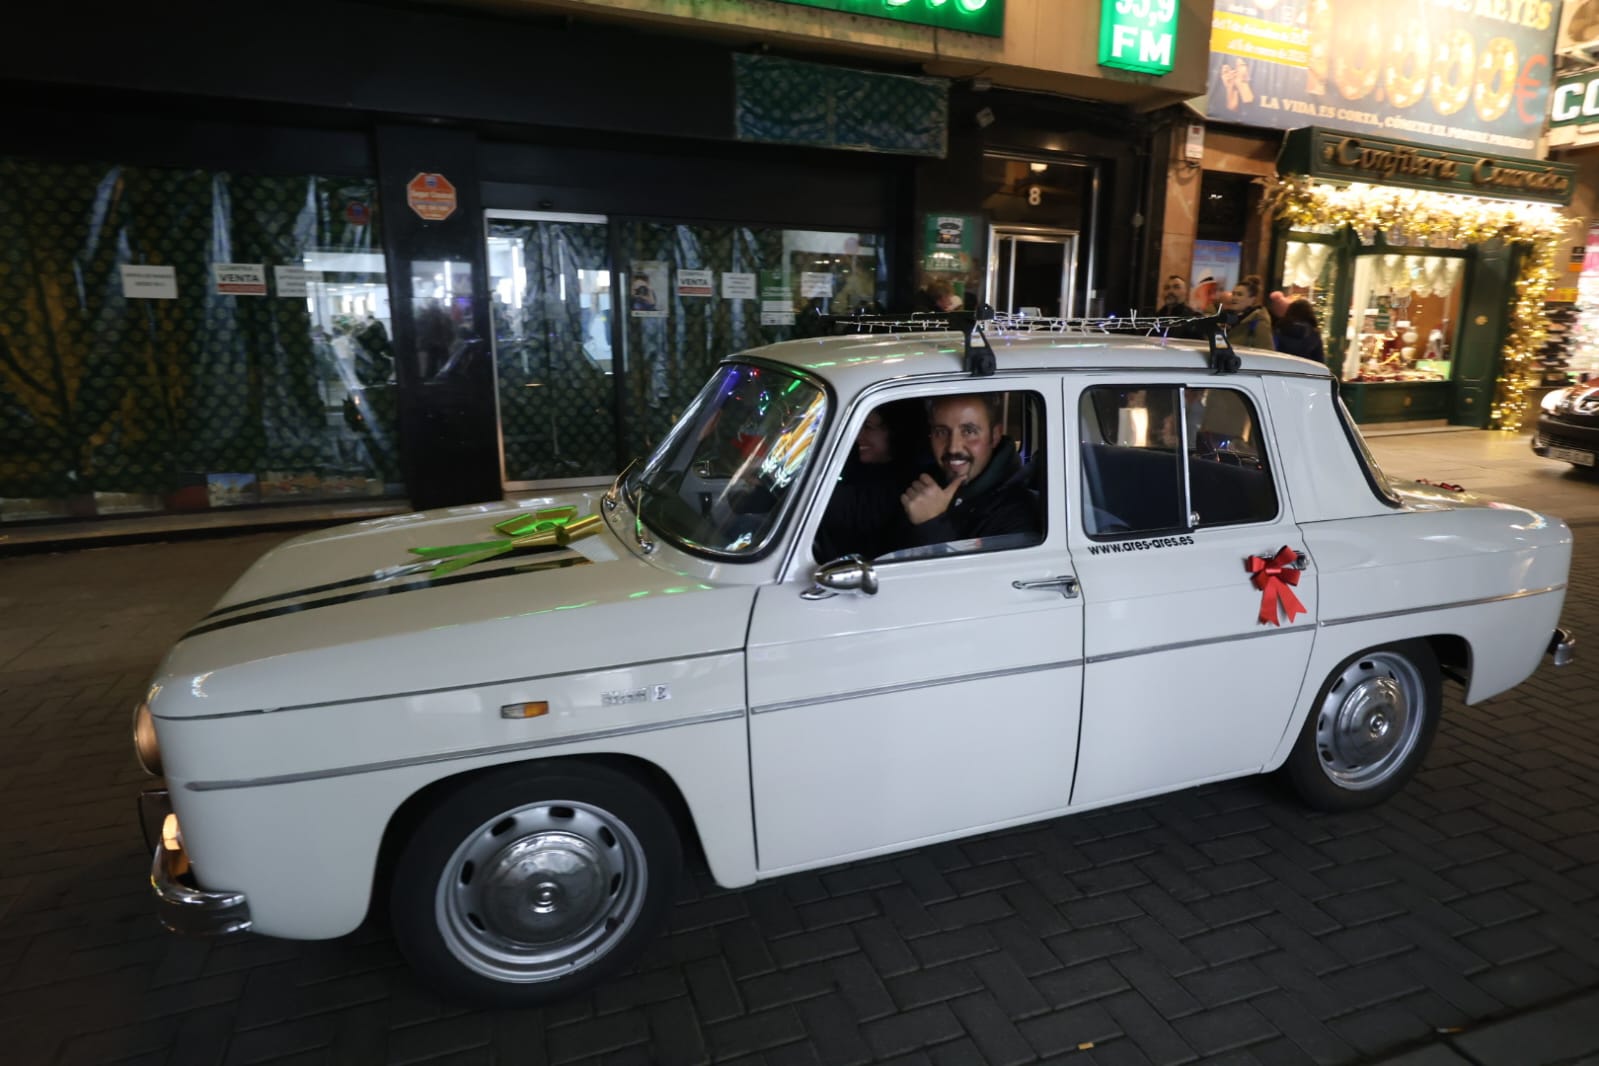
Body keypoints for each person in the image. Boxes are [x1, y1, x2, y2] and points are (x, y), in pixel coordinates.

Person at [900, 393, 1039, 547]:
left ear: (994, 436)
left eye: (969, 431)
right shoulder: (925, 483)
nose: (953, 447)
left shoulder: (1019, 512)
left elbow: (979, 571)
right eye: (941, 432)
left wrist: (932, 523)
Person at [813, 404, 922, 561]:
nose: (858, 435)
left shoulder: (904, 485)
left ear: (896, 431)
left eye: (868, 427)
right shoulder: (858, 463)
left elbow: (832, 505)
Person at [1223, 275, 1276, 351]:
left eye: (1239, 294)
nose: (1234, 298)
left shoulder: (1258, 321)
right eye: (1233, 294)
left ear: (1252, 299)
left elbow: (1267, 351)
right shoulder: (1227, 318)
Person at [1269, 293, 1326, 364]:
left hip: (1280, 367)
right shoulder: (1313, 333)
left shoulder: (1280, 327)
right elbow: (1319, 359)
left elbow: (1272, 349)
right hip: (1304, 372)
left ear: (1290, 311)